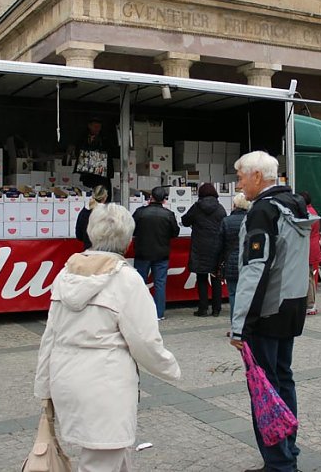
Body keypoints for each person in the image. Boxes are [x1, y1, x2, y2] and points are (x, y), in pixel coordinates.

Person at [34, 203, 181, 471]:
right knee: (101, 460)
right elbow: (145, 340)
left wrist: (44, 386)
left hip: (65, 376)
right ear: (127, 240)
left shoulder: (65, 275)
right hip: (105, 383)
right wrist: (171, 369)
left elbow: (50, 335)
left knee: (112, 454)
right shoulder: (127, 280)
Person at [230, 151, 314, 472]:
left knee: (264, 389)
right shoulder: (294, 203)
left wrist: (240, 325)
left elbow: (255, 269)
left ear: (256, 177)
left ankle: (278, 463)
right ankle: (287, 450)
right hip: (292, 305)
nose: (238, 183)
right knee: (283, 380)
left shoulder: (263, 212)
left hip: (267, 311)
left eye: (240, 177)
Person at [132, 186, 180, 320]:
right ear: (164, 200)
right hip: (161, 253)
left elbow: (132, 229)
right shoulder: (169, 214)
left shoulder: (140, 212)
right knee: (160, 284)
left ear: (150, 198)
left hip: (142, 252)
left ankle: (139, 312)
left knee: (140, 283)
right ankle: (159, 313)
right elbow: (175, 233)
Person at [181, 183, 227, 317]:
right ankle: (216, 309)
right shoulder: (220, 208)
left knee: (201, 278)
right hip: (216, 247)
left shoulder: (196, 208)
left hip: (199, 247)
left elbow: (185, 221)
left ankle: (203, 308)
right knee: (216, 277)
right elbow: (224, 225)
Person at [215, 192, 250, 326]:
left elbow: (219, 245)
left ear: (234, 205)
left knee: (233, 295)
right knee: (247, 295)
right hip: (247, 262)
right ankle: (247, 325)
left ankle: (236, 326)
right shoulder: (252, 220)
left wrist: (217, 264)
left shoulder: (226, 221)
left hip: (231, 262)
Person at [74, 116, 112, 192]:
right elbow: (78, 151)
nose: (97, 129)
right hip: (88, 174)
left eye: (99, 127)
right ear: (89, 126)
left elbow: (109, 153)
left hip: (101, 175)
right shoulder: (83, 138)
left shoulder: (104, 138)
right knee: (88, 193)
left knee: (102, 193)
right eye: (95, 126)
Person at [300, 191, 321, 316]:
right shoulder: (312, 211)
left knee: (308, 277)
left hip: (308, 248)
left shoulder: (307, 214)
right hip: (312, 247)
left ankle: (310, 304)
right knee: (309, 277)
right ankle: (310, 304)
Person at [75, 185, 108, 250]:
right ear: (104, 197)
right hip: (104, 252)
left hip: (88, 251)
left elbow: (79, 235)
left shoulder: (84, 212)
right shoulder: (107, 212)